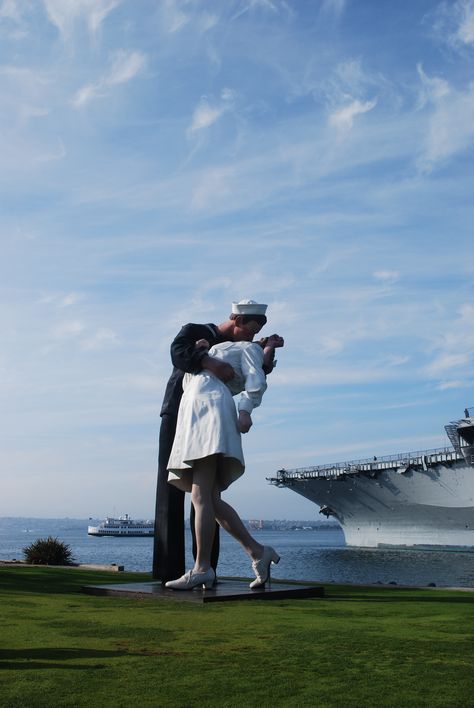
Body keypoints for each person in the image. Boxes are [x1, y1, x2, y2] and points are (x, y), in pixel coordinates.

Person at [153, 299, 280, 583]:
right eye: (250, 328)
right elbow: (179, 354)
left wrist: (245, 409)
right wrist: (204, 355)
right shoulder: (200, 335)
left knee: (202, 496)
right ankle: (256, 551)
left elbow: (255, 374)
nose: (251, 335)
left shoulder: (247, 348)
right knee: (204, 497)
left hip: (210, 411)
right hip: (184, 412)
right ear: (236, 319)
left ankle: (203, 568)